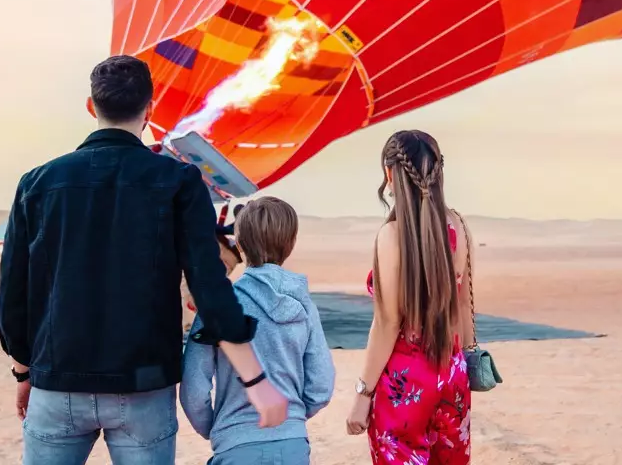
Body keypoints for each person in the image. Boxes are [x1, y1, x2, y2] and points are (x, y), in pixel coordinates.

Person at [0, 55, 288, 465]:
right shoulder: (179, 182)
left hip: (56, 380)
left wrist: (24, 371)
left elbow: (13, 293)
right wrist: (254, 378)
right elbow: (210, 286)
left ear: (90, 106)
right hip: (143, 385)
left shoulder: (38, 183)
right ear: (149, 110)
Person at [345, 130, 474, 464]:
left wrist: (363, 393)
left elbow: (388, 323)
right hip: (451, 373)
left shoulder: (391, 236)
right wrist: (466, 362)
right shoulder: (458, 225)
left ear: (391, 173)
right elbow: (463, 303)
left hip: (405, 383)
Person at [182, 196, 334, 465]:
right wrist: (292, 416)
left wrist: (219, 428)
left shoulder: (219, 306)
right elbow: (321, 384)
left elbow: (194, 388)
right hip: (293, 447)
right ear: (292, 243)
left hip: (234, 446)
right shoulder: (303, 305)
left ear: (239, 245)